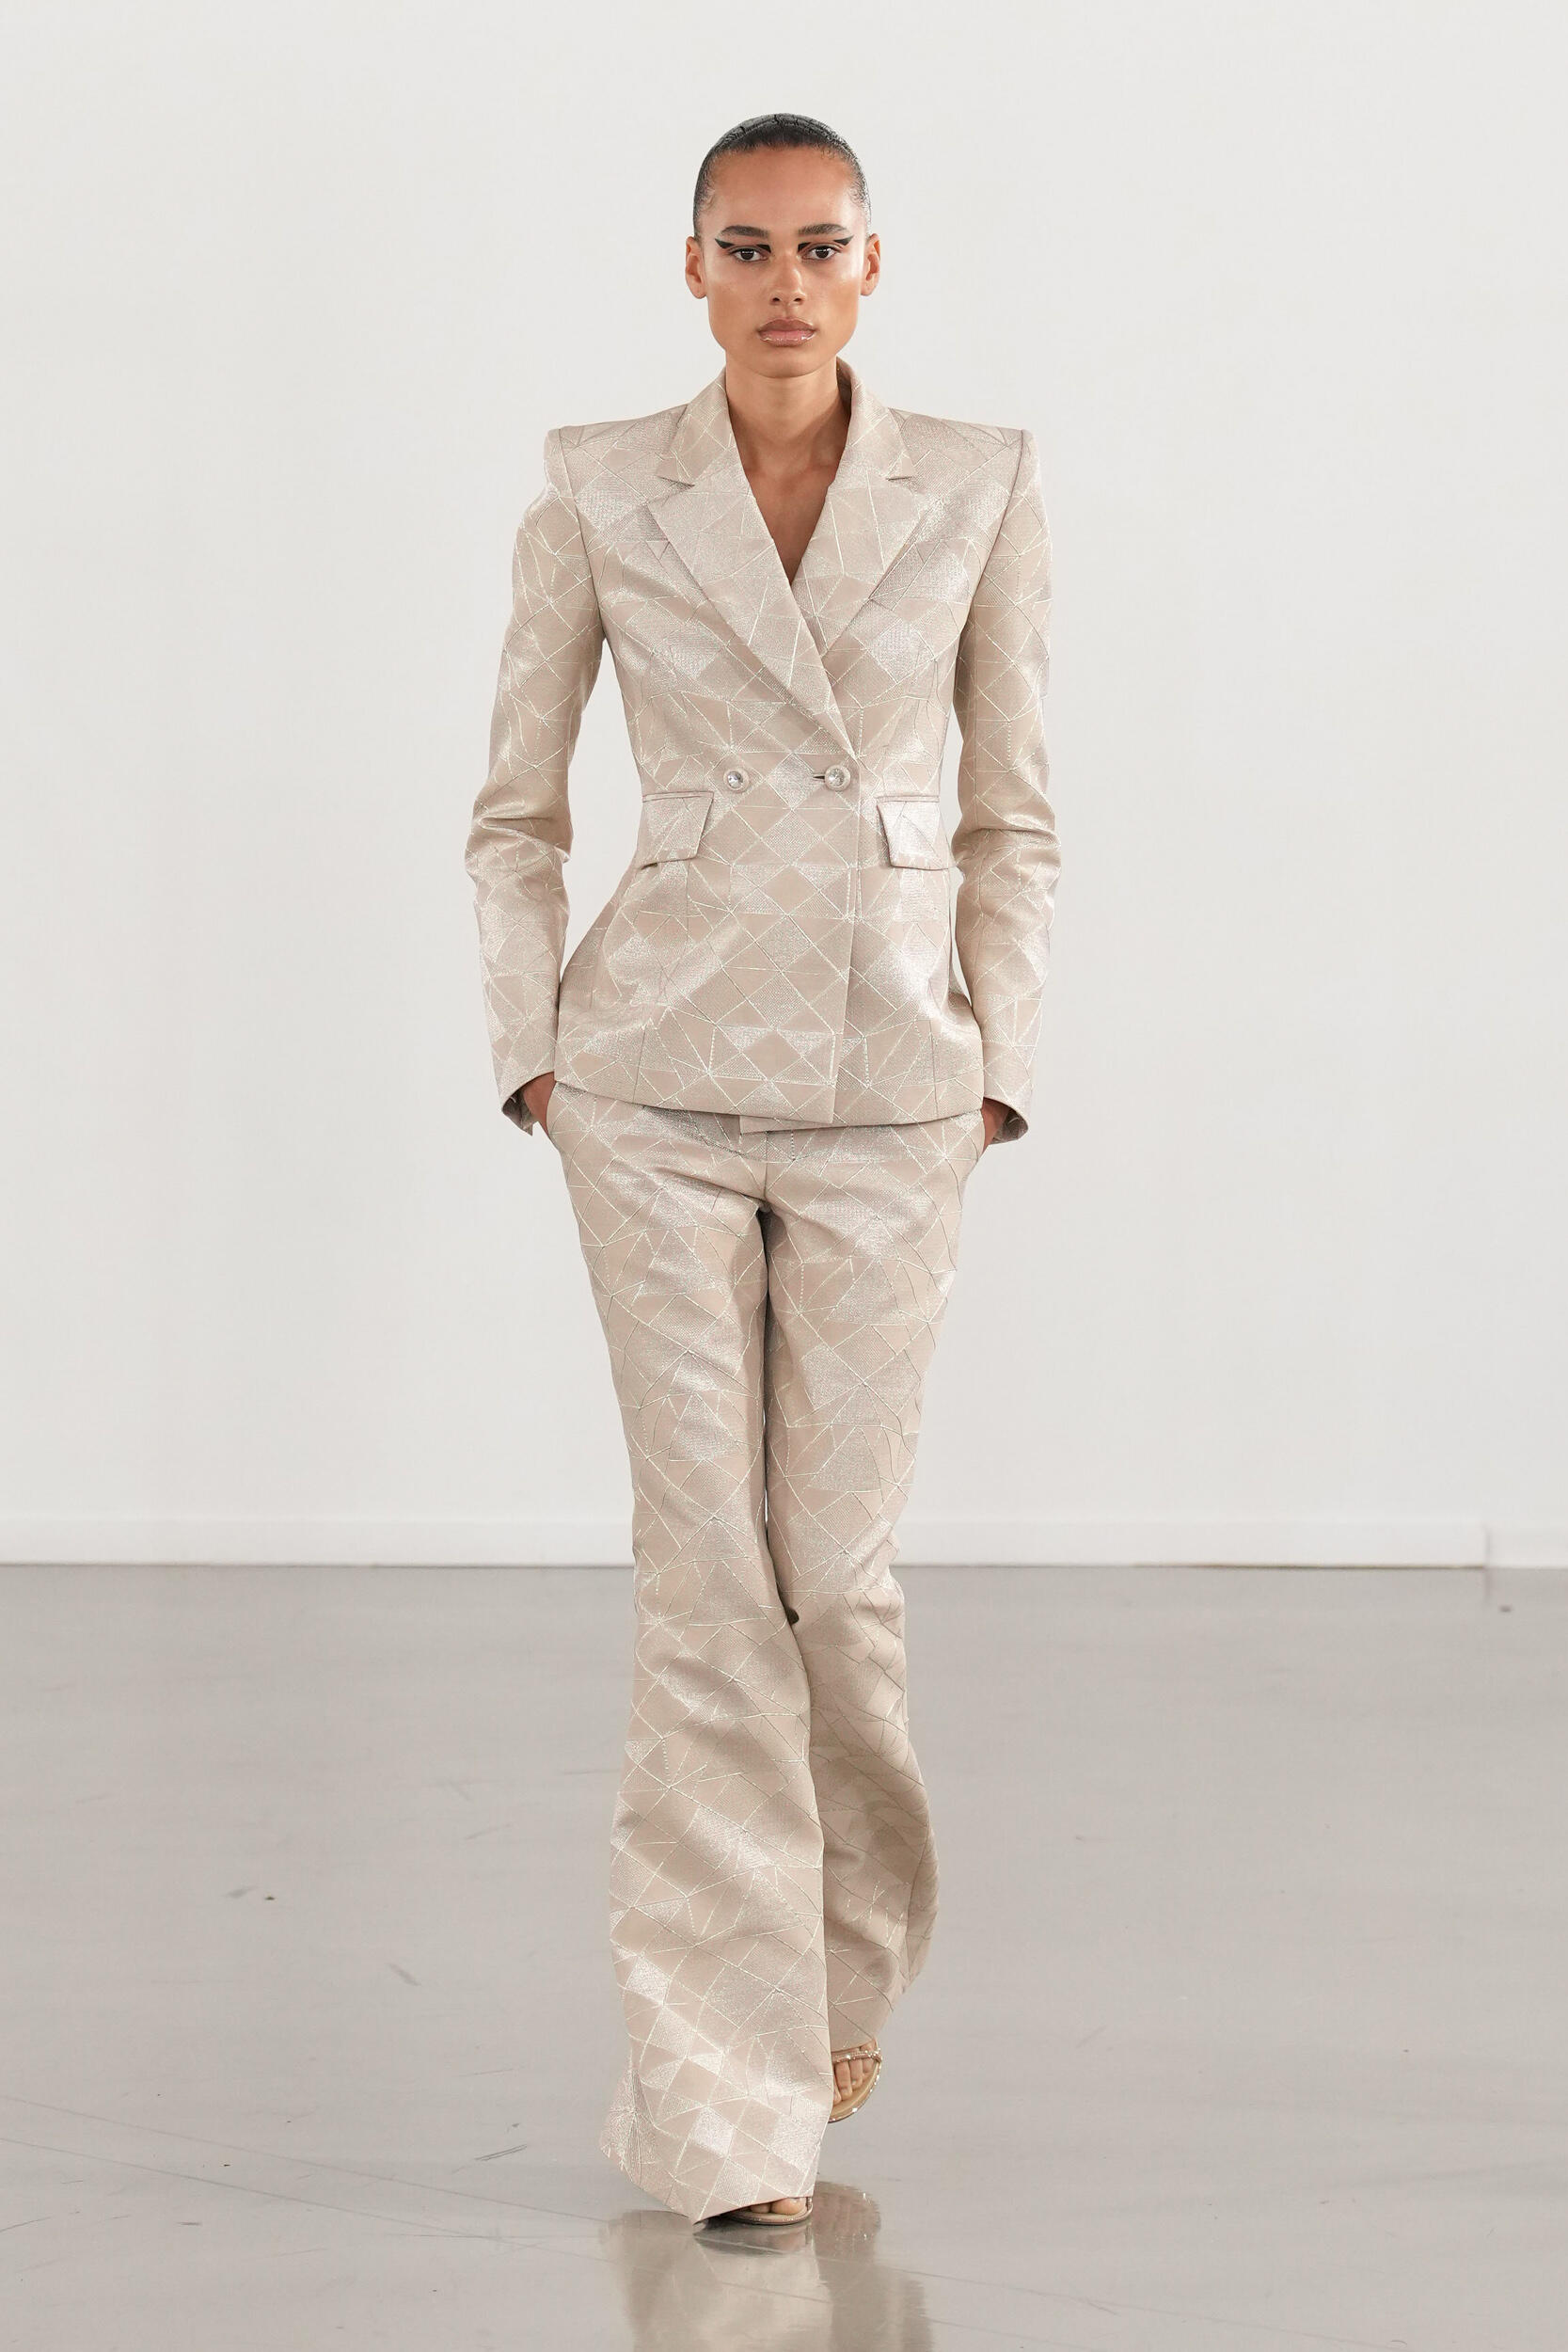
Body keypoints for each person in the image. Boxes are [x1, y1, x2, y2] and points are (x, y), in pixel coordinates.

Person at [465, 111, 1060, 2229]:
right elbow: (514, 806)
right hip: (654, 1076)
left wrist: (996, 1064)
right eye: (748, 246)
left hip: (895, 1081)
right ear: (694, 267)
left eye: (821, 246)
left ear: (873, 266)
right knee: (705, 1580)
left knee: (837, 1577)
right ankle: (724, 2100)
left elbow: (1016, 806)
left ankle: (835, 1969)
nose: (785, 282)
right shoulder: (598, 483)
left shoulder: (977, 480)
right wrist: (539, 1055)